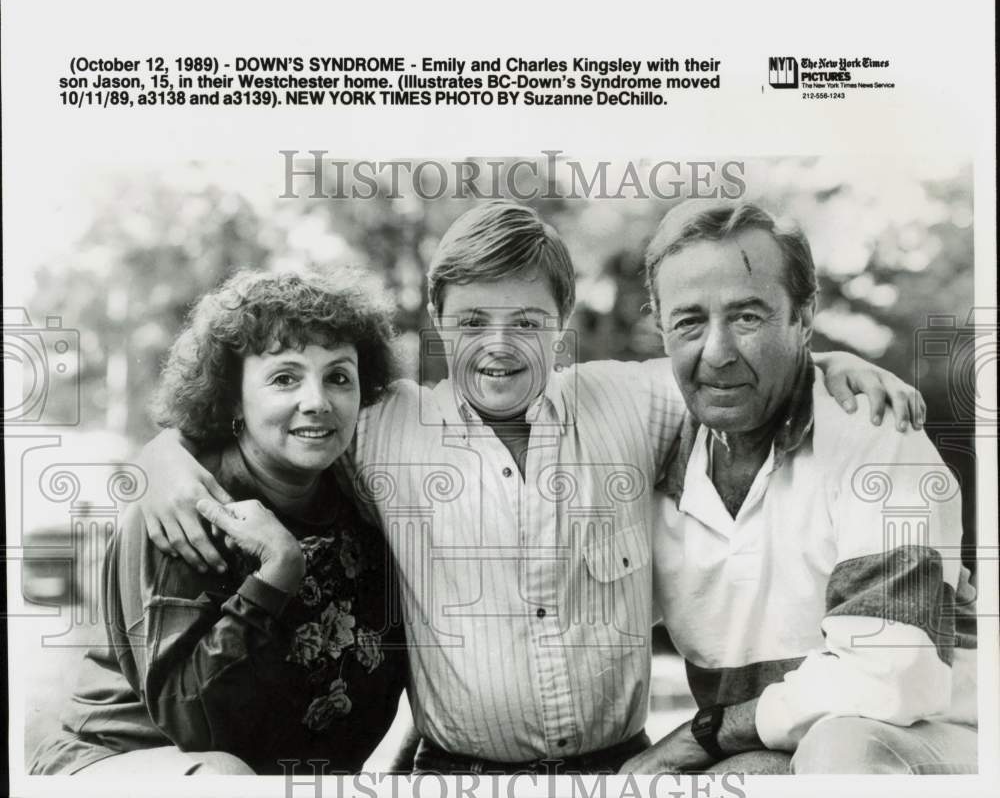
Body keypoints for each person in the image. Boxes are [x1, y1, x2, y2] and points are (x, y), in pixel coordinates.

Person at [131, 202, 926, 774]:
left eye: (527, 322)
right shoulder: (380, 424)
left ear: (564, 319)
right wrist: (162, 458)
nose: (499, 347)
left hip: (620, 766)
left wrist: (828, 366)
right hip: (456, 770)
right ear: (437, 322)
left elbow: (727, 369)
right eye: (473, 322)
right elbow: (237, 420)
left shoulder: (628, 398)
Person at [619, 200, 977, 775]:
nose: (717, 351)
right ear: (660, 326)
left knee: (842, 752)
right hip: (763, 747)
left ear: (804, 317)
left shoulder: (875, 434)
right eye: (689, 321)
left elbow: (889, 676)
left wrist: (706, 731)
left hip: (934, 741)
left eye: (748, 317)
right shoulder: (646, 441)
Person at [29, 270, 407, 775]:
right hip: (125, 763)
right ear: (233, 396)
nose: (317, 400)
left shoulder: (365, 499)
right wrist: (276, 572)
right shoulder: (184, 506)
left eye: (338, 376)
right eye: (284, 378)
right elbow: (195, 724)